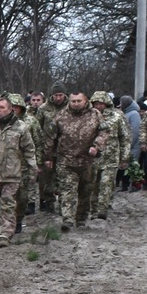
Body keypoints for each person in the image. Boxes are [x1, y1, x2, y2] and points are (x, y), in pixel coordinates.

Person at [47, 90, 100, 231]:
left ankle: (81, 218)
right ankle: (68, 219)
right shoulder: (61, 116)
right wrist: (49, 156)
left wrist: (97, 146)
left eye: (78, 101)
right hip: (66, 161)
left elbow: (104, 131)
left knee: (86, 191)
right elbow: (51, 137)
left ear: (85, 101)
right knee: (67, 191)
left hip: (88, 161)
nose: (76, 104)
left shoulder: (95, 114)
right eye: (73, 101)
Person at [0, 93, 34, 246]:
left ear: (10, 109)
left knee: (8, 204)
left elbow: (28, 149)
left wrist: (33, 168)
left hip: (12, 174)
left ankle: (4, 235)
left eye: (2, 107)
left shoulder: (20, 127)